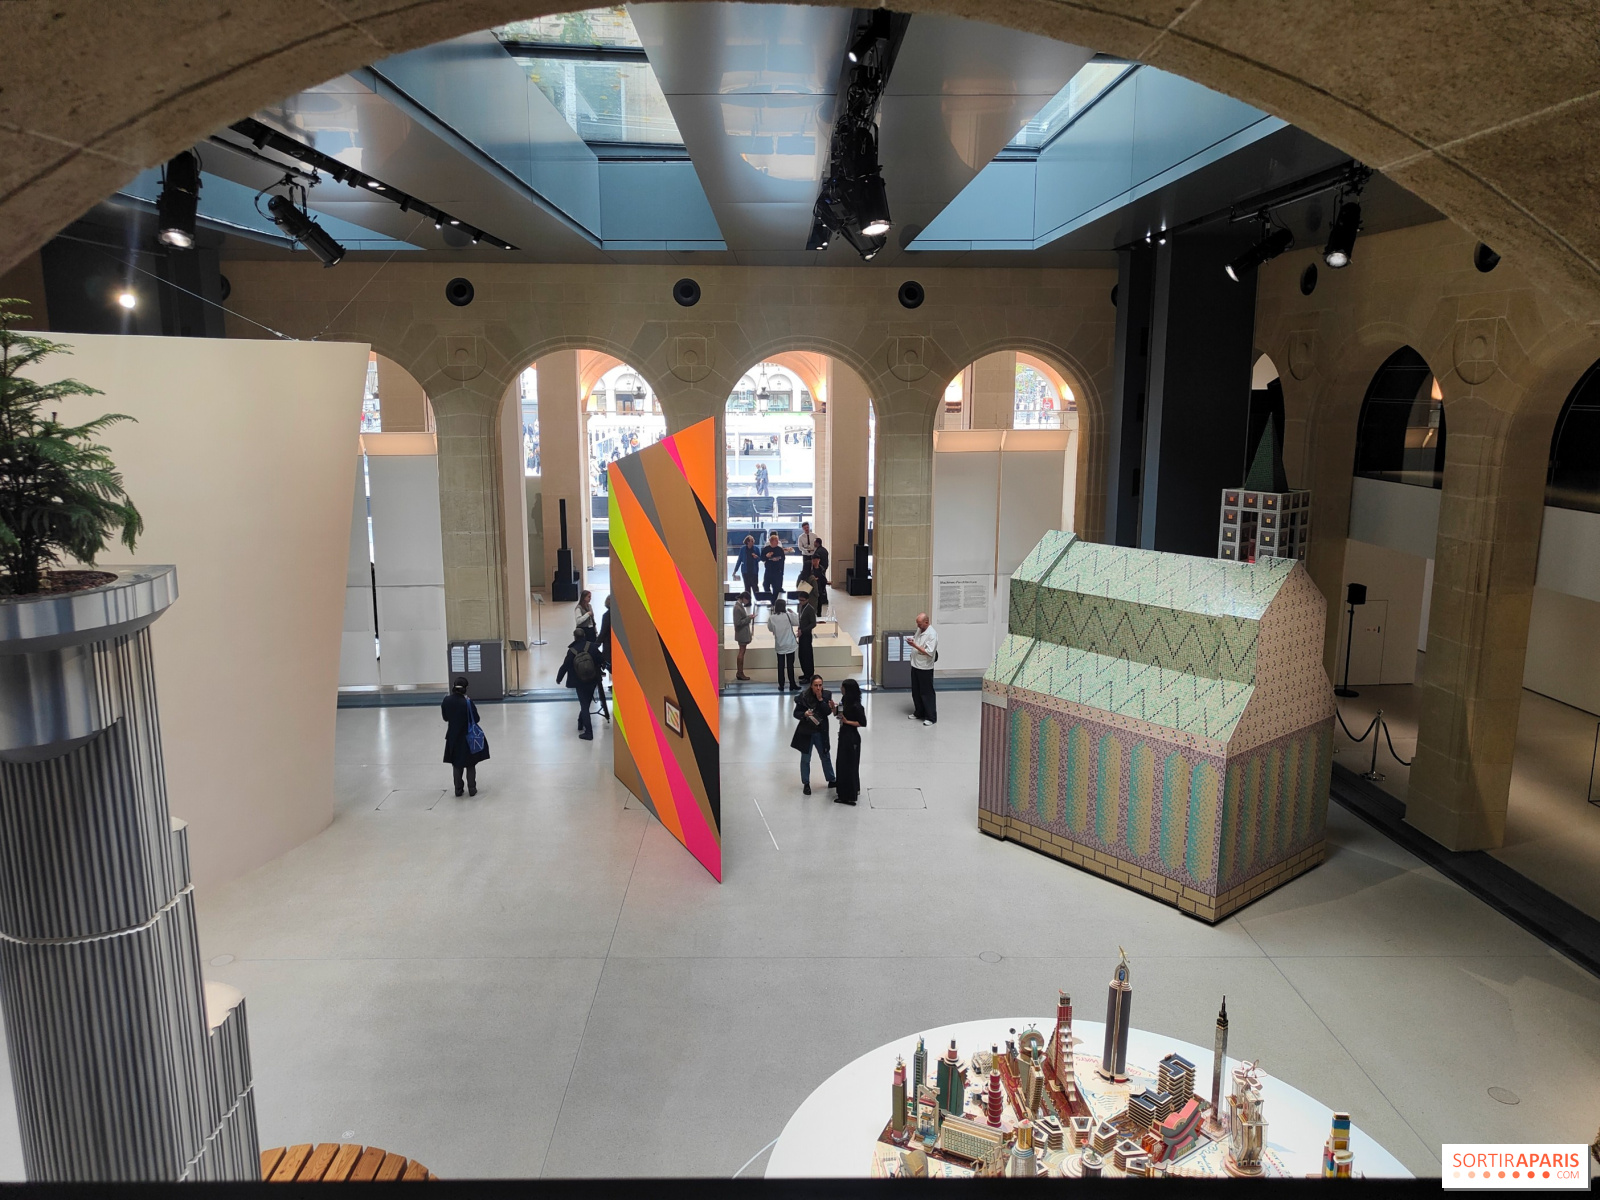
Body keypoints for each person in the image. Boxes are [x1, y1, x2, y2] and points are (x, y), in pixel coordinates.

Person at [440, 677, 489, 796]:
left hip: (453, 737)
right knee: (470, 764)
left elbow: (445, 718)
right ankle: (472, 788)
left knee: (457, 764)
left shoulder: (446, 700)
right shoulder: (467, 702)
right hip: (468, 737)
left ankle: (458, 789)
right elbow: (476, 719)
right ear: (466, 688)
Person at [790, 674, 836, 795]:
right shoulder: (803, 697)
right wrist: (804, 714)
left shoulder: (826, 695)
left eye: (820, 685)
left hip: (821, 731)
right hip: (807, 732)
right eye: (816, 685)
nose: (818, 688)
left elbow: (827, 712)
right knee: (806, 758)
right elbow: (796, 713)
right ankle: (806, 783)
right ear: (811, 686)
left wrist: (820, 700)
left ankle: (831, 779)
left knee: (825, 755)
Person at [556, 626, 604, 740]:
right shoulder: (592, 646)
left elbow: (565, 666)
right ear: (584, 636)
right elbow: (601, 659)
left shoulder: (572, 651)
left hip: (579, 682)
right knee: (586, 703)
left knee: (584, 705)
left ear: (575, 637)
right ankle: (580, 722)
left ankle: (589, 732)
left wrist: (559, 678)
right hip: (592, 680)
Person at [834, 677, 866, 805]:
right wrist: (833, 708)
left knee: (849, 766)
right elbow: (839, 714)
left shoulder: (856, 706)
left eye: (843, 687)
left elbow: (862, 723)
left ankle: (848, 795)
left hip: (851, 738)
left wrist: (847, 722)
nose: (841, 689)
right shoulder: (844, 700)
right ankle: (850, 790)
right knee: (842, 764)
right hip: (844, 736)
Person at [907, 611, 939, 726]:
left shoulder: (932, 635)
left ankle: (931, 717)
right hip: (915, 664)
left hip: (925, 667)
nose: (918, 626)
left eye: (920, 624)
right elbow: (917, 640)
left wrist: (914, 645)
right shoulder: (920, 630)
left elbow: (929, 652)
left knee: (926, 692)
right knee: (916, 691)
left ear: (926, 622)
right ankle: (919, 712)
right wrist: (912, 641)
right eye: (917, 623)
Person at [767, 595, 799, 691]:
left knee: (780, 666)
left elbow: (770, 628)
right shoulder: (788, 615)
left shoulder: (772, 618)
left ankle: (781, 685)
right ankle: (792, 684)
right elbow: (797, 622)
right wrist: (793, 613)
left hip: (779, 645)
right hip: (790, 644)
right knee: (790, 665)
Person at [593, 594, 613, 724]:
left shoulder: (607, 615)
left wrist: (595, 645)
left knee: (610, 664)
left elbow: (603, 632)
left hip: (609, 646)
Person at [733, 590, 754, 680]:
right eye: (747, 600)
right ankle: (740, 672)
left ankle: (740, 672)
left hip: (742, 632)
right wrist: (748, 618)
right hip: (741, 633)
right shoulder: (737, 608)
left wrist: (748, 617)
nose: (748, 602)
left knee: (742, 651)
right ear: (744, 598)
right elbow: (738, 623)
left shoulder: (739, 606)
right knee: (741, 652)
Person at [797, 592, 817, 681]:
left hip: (806, 635)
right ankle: (805, 673)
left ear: (807, 600)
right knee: (801, 655)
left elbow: (813, 623)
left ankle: (809, 675)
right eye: (799, 600)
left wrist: (803, 630)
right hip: (801, 634)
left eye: (802, 600)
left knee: (807, 655)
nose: (801, 602)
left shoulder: (810, 609)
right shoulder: (800, 607)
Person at [760, 531, 786, 602]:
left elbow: (783, 559)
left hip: (777, 571)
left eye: (777, 541)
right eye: (776, 541)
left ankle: (774, 601)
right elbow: (762, 558)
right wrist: (767, 556)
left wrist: (778, 560)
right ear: (771, 541)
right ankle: (770, 598)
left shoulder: (780, 549)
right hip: (769, 570)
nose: (777, 542)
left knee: (776, 587)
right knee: (765, 585)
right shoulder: (766, 549)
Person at [735, 533, 760, 599]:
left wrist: (756, 557)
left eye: (753, 540)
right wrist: (735, 570)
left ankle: (758, 600)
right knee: (747, 587)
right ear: (747, 542)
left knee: (755, 587)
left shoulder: (756, 549)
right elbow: (739, 560)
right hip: (745, 571)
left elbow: (760, 559)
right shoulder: (743, 549)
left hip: (754, 571)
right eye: (751, 541)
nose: (753, 542)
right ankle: (748, 601)